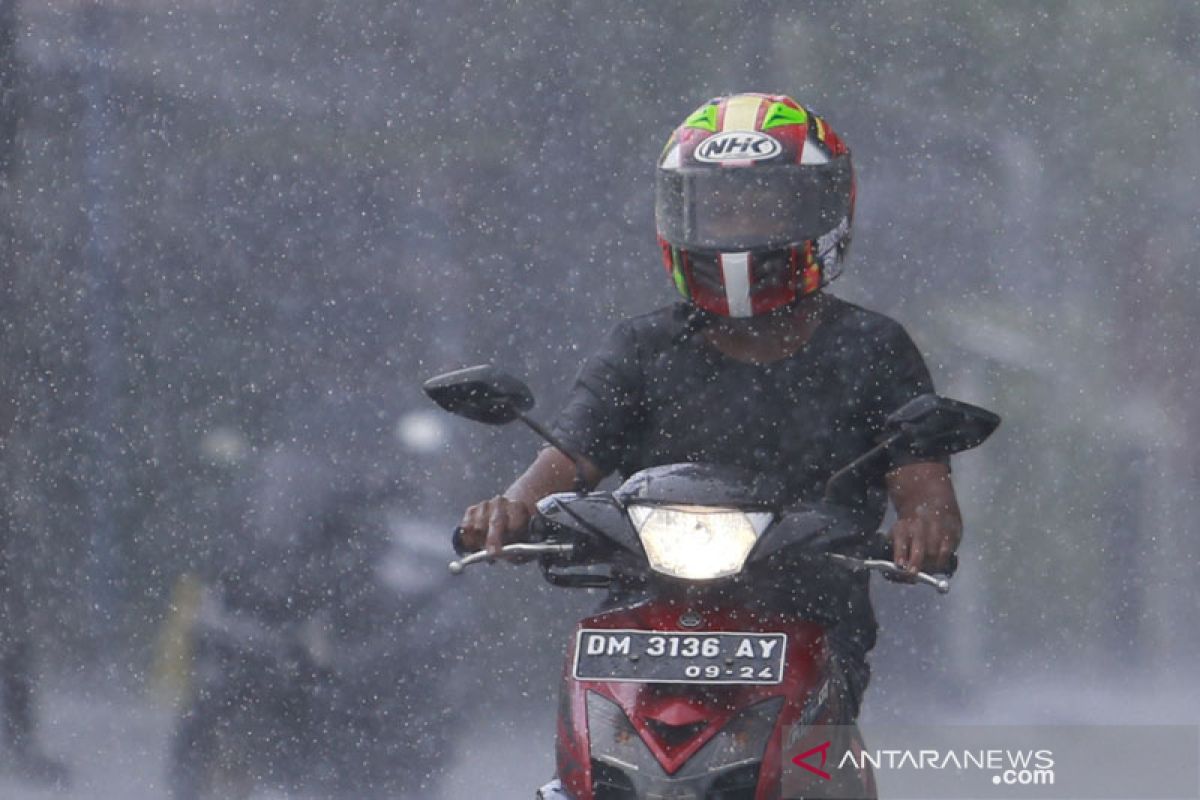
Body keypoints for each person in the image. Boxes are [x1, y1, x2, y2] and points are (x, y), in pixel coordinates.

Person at [457, 92, 961, 715]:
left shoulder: (873, 348)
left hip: (809, 620)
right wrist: (509, 509)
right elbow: (565, 461)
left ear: (826, 212)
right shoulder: (642, 348)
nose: (741, 228)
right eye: (720, 210)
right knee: (580, 759)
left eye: (765, 208)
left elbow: (926, 490)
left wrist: (924, 525)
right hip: (638, 635)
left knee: (812, 766)